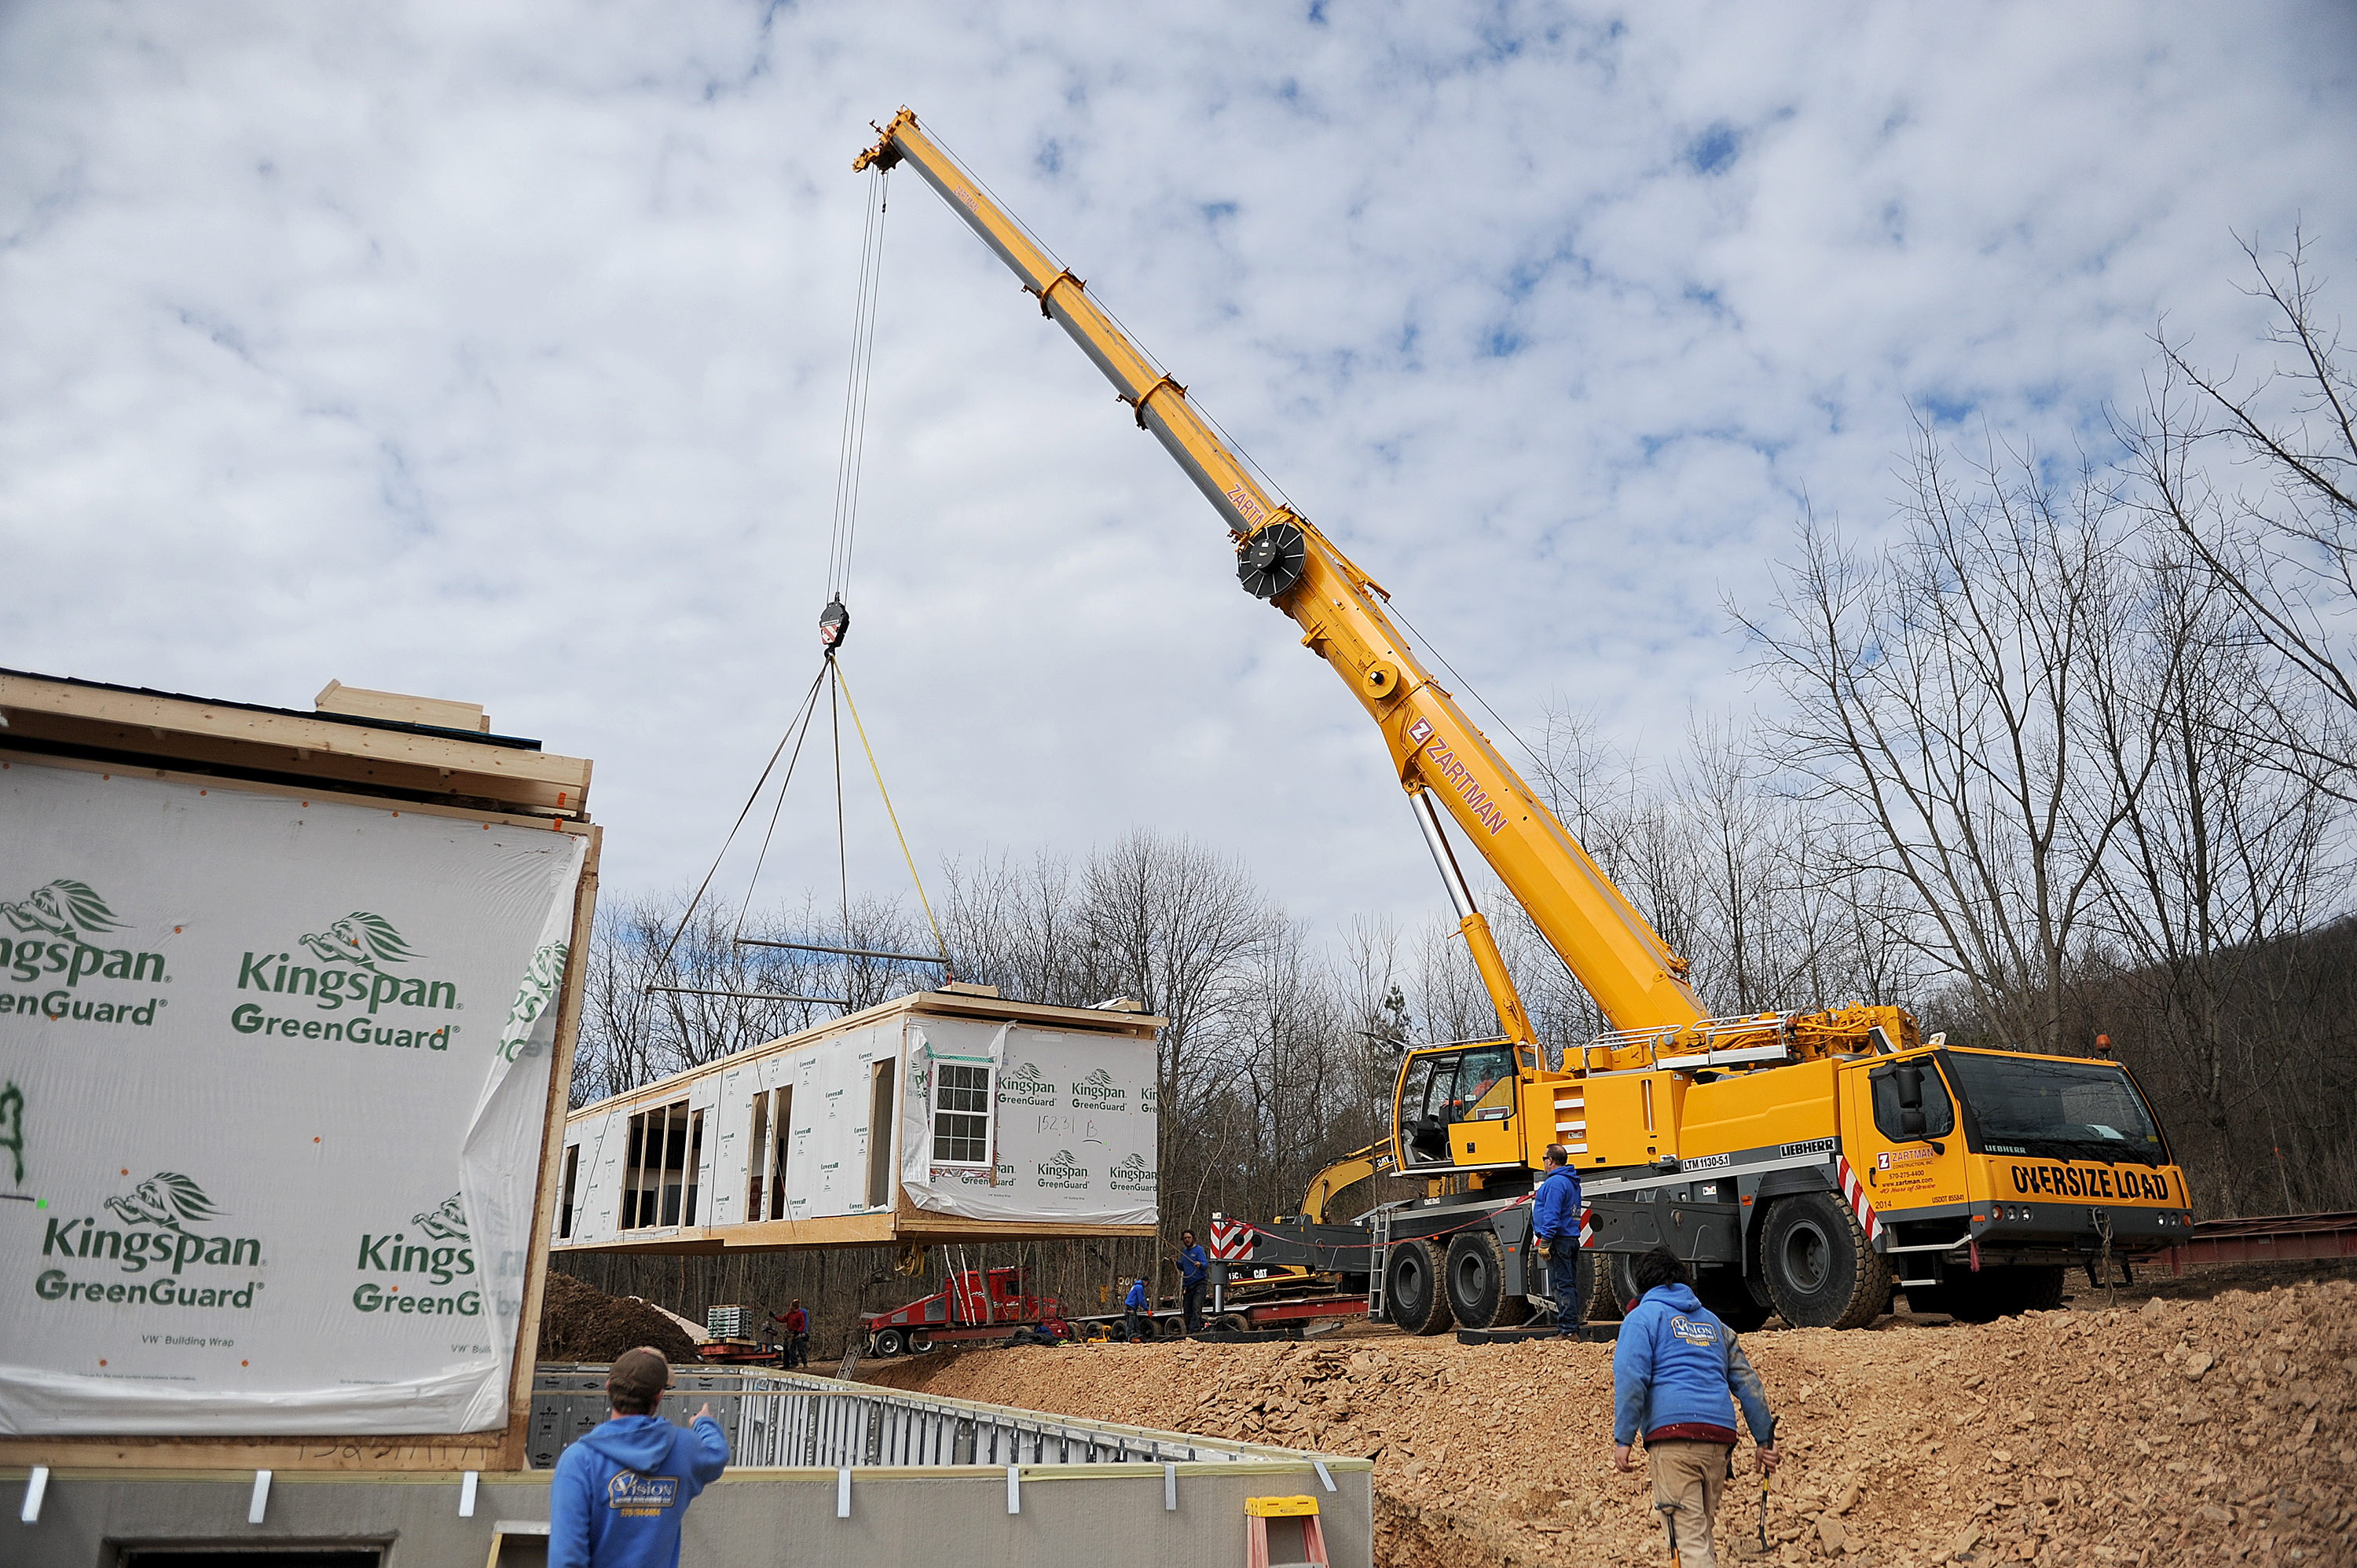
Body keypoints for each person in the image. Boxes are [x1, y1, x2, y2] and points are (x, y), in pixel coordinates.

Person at [1611, 1248, 1778, 1568]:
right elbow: (1748, 1383)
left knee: (1687, 1544)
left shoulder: (1642, 1318)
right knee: (1700, 1536)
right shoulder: (1715, 1325)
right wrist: (1764, 1441)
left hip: (1674, 1441)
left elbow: (1631, 1376)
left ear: (1642, 1285)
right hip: (1718, 1442)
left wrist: (1624, 1438)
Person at [551, 1346, 730, 1568]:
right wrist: (704, 1422)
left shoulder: (578, 1461)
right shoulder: (684, 1449)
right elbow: (718, 1453)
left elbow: (566, 1559)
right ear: (659, 1395)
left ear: (608, 1387)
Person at [1530, 1142, 1585, 1338]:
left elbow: (1552, 1215)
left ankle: (1568, 1331)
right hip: (1570, 1239)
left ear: (1550, 1160)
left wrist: (1545, 1241)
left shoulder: (1554, 1183)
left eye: (1544, 1159)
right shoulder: (1571, 1182)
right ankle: (1572, 1324)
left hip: (1559, 1241)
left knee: (1561, 1285)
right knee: (1568, 1283)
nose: (1544, 1163)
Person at [1176, 1229, 1209, 1333]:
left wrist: (1200, 1264)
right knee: (1188, 1310)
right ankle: (1190, 1330)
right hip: (1188, 1285)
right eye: (1185, 1238)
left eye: (1189, 1238)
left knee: (1196, 1307)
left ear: (1193, 1238)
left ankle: (1195, 1330)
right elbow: (1184, 1268)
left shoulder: (1199, 1250)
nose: (1187, 1240)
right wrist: (1175, 1263)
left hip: (1199, 1283)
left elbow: (1205, 1265)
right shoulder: (1184, 1252)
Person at [770, 1299, 808, 1368]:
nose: (790, 1306)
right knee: (786, 1348)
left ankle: (797, 1363)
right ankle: (786, 1363)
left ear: (794, 1307)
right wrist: (774, 1317)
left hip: (796, 1334)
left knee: (797, 1349)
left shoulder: (800, 1314)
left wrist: (799, 1331)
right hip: (789, 1334)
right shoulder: (790, 1314)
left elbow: (802, 1324)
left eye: (791, 1305)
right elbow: (783, 1320)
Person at [1123, 1275, 1149, 1342]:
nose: (1147, 1285)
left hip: (1131, 1307)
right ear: (1145, 1282)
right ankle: (1129, 1339)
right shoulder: (1139, 1287)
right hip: (1130, 1307)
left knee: (1136, 1324)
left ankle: (1138, 1337)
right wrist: (1147, 1310)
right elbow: (1141, 1300)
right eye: (1147, 1283)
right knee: (1131, 1323)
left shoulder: (1136, 1286)